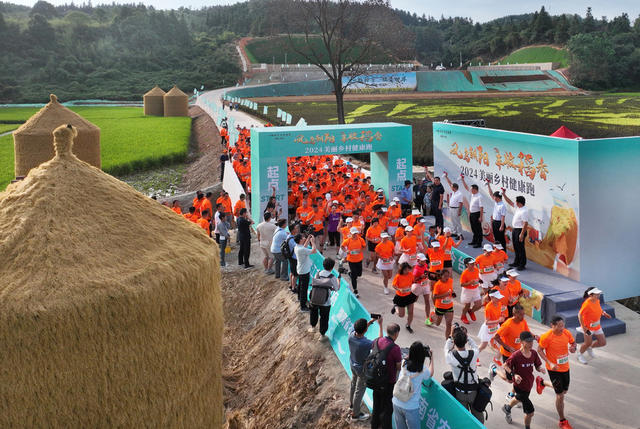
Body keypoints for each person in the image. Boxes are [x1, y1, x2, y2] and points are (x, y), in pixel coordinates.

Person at [537, 316, 578, 429]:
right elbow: (539, 350)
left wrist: (574, 348)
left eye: (563, 325)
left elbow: (574, 344)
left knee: (564, 391)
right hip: (553, 369)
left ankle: (542, 383)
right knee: (560, 396)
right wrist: (549, 363)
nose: (562, 328)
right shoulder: (547, 337)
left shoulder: (566, 333)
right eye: (559, 326)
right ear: (552, 326)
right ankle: (562, 421)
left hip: (565, 368)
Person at [502, 331, 547, 429]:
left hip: (528, 384)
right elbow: (505, 365)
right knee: (530, 412)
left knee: (518, 398)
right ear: (521, 342)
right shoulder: (516, 355)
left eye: (532, 341)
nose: (531, 344)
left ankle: (507, 408)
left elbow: (537, 365)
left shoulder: (534, 353)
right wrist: (514, 374)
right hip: (519, 385)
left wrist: (540, 369)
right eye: (528, 342)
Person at [444, 324, 484, 423]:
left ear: (454, 342)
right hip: (474, 391)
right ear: (466, 341)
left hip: (459, 391)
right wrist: (467, 336)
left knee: (462, 418)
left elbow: (446, 348)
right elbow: (475, 346)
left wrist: (450, 336)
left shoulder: (451, 357)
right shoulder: (474, 354)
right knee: (478, 416)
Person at [349, 316, 384, 421]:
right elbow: (380, 342)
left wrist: (369, 323)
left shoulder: (351, 336)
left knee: (353, 384)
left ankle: (351, 404)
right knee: (359, 391)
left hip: (352, 364)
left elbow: (360, 330)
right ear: (365, 330)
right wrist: (381, 325)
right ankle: (355, 415)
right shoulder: (365, 343)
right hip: (362, 370)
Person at [392, 341, 434, 429]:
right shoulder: (422, 370)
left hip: (396, 401)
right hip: (411, 407)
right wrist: (431, 357)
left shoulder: (404, 363)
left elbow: (409, 357)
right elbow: (430, 373)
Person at [490, 304, 531, 387]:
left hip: (519, 352)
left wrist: (535, 337)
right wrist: (508, 347)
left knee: (520, 374)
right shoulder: (507, 325)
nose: (523, 316)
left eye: (524, 314)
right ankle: (494, 369)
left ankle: (513, 394)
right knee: (509, 380)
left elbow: (527, 332)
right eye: (521, 314)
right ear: (515, 314)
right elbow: (496, 337)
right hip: (508, 354)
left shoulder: (523, 321)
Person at [370, 324, 402, 429]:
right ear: (396, 333)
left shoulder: (377, 341)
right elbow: (398, 367)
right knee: (387, 409)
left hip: (375, 379)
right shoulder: (395, 348)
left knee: (376, 405)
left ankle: (374, 425)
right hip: (388, 382)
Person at [577, 287, 611, 364]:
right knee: (587, 343)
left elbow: (598, 309)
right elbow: (579, 315)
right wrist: (584, 327)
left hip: (597, 326)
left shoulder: (597, 301)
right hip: (588, 328)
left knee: (602, 342)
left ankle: (589, 348)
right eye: (596, 294)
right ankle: (580, 355)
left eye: (599, 294)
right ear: (591, 295)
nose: (598, 295)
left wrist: (604, 313)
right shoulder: (587, 304)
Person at [309, 257, 340, 336]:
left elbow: (316, 283)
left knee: (313, 313)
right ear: (332, 267)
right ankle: (322, 335)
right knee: (324, 318)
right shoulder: (332, 277)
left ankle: (312, 327)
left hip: (314, 298)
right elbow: (337, 288)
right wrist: (338, 280)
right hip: (326, 302)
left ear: (323, 265)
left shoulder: (318, 273)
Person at [390, 263, 418, 334]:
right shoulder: (398, 276)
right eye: (405, 270)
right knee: (401, 315)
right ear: (402, 270)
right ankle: (396, 307)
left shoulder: (410, 274)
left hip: (409, 296)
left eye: (408, 269)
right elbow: (393, 285)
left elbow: (412, 282)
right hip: (400, 297)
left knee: (411, 312)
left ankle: (408, 325)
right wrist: (399, 289)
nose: (407, 271)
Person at [503, 193, 529, 270]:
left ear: (519, 203)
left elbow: (525, 223)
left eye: (516, 202)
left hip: (520, 230)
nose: (515, 203)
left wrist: (521, 234)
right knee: (516, 247)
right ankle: (516, 262)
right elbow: (510, 202)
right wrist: (504, 194)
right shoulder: (518, 208)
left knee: (520, 248)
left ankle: (522, 264)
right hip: (515, 229)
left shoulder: (524, 211)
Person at [478, 289, 505, 357]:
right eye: (497, 297)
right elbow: (486, 322)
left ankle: (496, 359)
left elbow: (501, 313)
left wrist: (502, 316)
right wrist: (498, 321)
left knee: (501, 343)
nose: (499, 298)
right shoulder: (488, 307)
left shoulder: (499, 303)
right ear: (492, 297)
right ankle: (475, 357)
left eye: (499, 297)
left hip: (496, 327)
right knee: (483, 345)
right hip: (488, 328)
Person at [294, 233, 318, 312]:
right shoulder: (301, 249)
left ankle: (299, 298)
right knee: (304, 289)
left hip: (300, 270)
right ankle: (303, 306)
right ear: (300, 240)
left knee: (300, 286)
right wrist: (313, 242)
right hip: (304, 271)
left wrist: (307, 239)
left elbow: (304, 246)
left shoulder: (297, 247)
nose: (304, 238)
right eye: (303, 237)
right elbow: (314, 251)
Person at [341, 227, 366, 298]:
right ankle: (355, 290)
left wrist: (361, 250)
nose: (355, 235)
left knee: (359, 274)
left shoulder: (361, 240)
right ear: (351, 233)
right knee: (354, 277)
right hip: (351, 260)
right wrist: (346, 251)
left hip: (359, 260)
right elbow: (342, 246)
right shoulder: (348, 240)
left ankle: (350, 273)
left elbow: (364, 246)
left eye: (356, 233)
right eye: (353, 233)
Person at [429, 269, 455, 338]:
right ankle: (432, 315)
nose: (447, 278)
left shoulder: (450, 281)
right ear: (441, 276)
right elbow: (435, 296)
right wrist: (445, 294)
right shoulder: (438, 285)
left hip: (449, 306)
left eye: (448, 276)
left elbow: (451, 289)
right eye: (445, 276)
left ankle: (447, 341)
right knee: (437, 323)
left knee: (449, 324)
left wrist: (453, 293)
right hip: (440, 307)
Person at [460, 177, 484, 247]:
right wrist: (463, 180)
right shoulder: (473, 194)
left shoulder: (479, 196)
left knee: (478, 229)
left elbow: (481, 207)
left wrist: (480, 217)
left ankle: (479, 243)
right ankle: (474, 240)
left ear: (474, 189)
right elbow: (466, 187)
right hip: (472, 213)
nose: (470, 190)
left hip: (477, 214)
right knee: (473, 228)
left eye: (471, 189)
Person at [459, 257, 483, 325]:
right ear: (467, 265)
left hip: (475, 289)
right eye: (471, 264)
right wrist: (470, 283)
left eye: (473, 263)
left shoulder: (476, 269)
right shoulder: (464, 273)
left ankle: (471, 311)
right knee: (467, 305)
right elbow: (462, 284)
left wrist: (479, 280)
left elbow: (477, 277)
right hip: (467, 291)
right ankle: (463, 316)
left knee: (479, 305)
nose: (473, 265)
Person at [411, 253, 432, 327]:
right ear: (418, 260)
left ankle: (427, 318)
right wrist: (420, 277)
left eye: (424, 261)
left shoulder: (425, 265)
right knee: (414, 300)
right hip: (418, 286)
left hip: (425, 285)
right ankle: (408, 307)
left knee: (427, 301)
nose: (424, 262)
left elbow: (427, 271)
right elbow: (413, 280)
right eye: (422, 261)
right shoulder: (416, 270)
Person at [442, 172, 464, 238]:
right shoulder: (454, 192)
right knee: (453, 221)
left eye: (452, 187)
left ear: (454, 187)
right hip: (451, 208)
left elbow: (461, 203)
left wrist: (459, 211)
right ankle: (455, 232)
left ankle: (460, 234)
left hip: (456, 209)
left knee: (457, 222)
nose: (450, 187)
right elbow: (450, 183)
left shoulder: (459, 194)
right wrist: (446, 177)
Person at [487, 183, 507, 250]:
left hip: (499, 223)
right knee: (496, 237)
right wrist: (488, 185)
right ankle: (497, 250)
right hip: (495, 222)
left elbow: (503, 216)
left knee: (501, 238)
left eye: (494, 197)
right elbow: (491, 194)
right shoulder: (496, 202)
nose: (493, 198)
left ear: (498, 197)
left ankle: (503, 251)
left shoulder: (502, 205)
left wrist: (501, 226)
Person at [286, 223, 301, 293]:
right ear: (292, 230)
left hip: (291, 257)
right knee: (295, 274)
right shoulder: (291, 239)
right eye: (296, 228)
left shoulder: (289, 236)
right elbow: (298, 246)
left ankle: (291, 285)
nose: (297, 229)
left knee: (292, 272)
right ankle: (293, 288)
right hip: (294, 258)